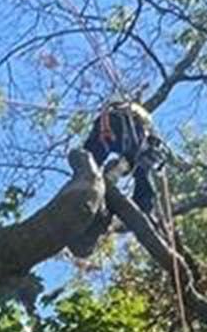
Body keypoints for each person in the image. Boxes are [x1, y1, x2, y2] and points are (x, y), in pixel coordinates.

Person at [68, 100, 164, 257]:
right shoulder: (138, 130)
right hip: (119, 129)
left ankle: (139, 205)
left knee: (92, 162)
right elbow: (140, 162)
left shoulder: (126, 124)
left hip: (107, 128)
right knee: (139, 171)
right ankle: (143, 206)